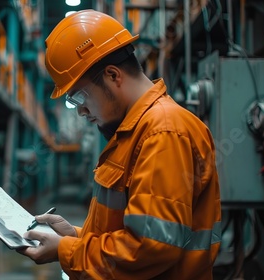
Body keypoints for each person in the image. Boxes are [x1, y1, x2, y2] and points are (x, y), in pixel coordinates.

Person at [18, 9, 221, 279]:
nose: (81, 111)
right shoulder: (136, 132)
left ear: (113, 75)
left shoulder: (162, 132)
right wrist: (76, 236)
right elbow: (130, 231)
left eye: (79, 97)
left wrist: (67, 251)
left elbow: (151, 247)